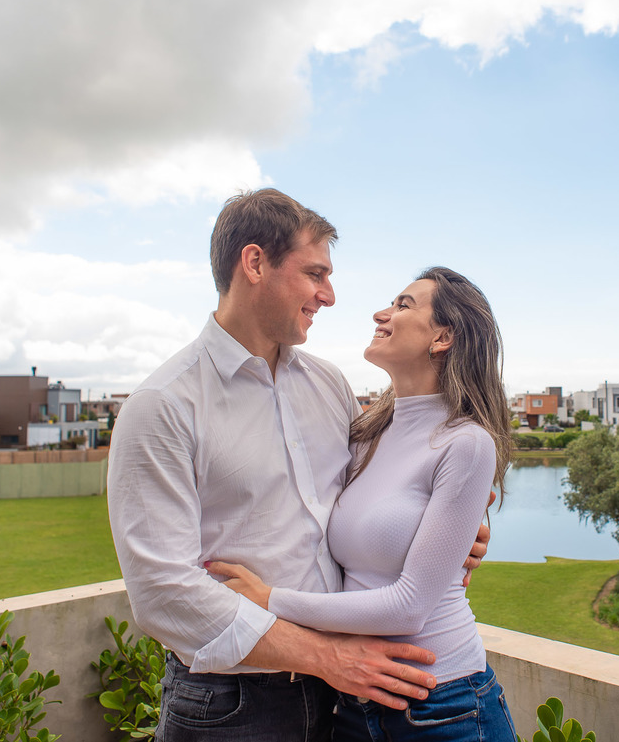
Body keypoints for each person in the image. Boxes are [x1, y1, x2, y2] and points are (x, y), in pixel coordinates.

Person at [107, 190, 489, 742]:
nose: (329, 296)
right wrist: (326, 657)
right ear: (255, 263)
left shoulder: (329, 386)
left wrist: (461, 529)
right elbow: (162, 591)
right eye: (315, 273)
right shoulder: (164, 404)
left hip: (342, 697)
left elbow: (391, 486)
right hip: (232, 704)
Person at [206, 266, 517, 741]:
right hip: (353, 704)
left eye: (403, 305)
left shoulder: (466, 443)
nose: (382, 313)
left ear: (443, 337)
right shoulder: (367, 433)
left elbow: (409, 608)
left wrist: (270, 601)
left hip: (443, 704)